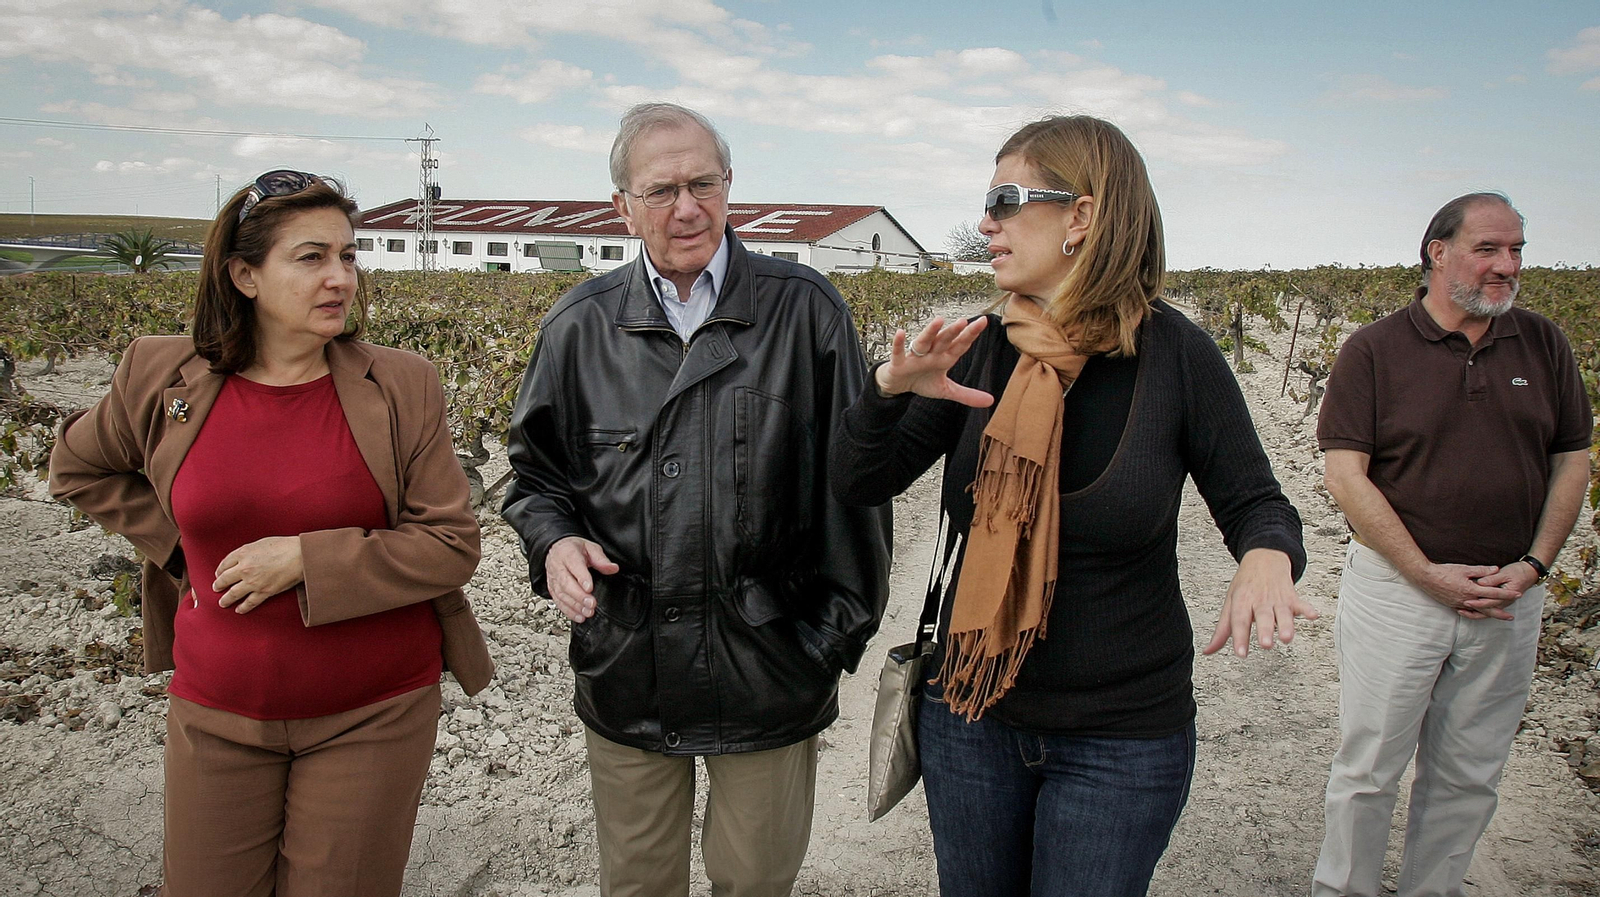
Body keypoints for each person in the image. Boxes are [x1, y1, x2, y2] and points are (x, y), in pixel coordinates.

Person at [829, 114, 1317, 897]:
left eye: (1006, 198)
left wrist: (1266, 556)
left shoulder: (1176, 357)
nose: (985, 221)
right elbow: (859, 480)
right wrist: (887, 394)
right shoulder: (981, 344)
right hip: (971, 714)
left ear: (1082, 216)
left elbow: (1257, 499)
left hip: (1122, 737)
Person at [48, 170, 494, 897]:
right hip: (215, 711)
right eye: (311, 257)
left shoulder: (402, 384)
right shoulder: (162, 376)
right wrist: (179, 548)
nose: (340, 278)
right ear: (245, 274)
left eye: (349, 257)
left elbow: (450, 543)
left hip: (373, 713)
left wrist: (306, 559)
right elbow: (79, 466)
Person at [501, 103, 892, 897]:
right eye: (661, 190)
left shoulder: (805, 310)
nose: (686, 207)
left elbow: (855, 491)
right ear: (622, 206)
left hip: (770, 667)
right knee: (638, 883)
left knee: (754, 882)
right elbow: (534, 478)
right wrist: (554, 544)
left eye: (703, 183)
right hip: (628, 666)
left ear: (729, 185)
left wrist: (826, 644)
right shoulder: (578, 327)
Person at [1312, 193, 1592, 897]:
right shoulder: (1373, 350)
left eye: (1517, 250)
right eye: (1489, 249)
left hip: (1506, 598)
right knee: (1370, 766)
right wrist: (1424, 572)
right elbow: (1345, 476)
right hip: (1397, 594)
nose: (1508, 266)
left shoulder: (1544, 342)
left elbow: (1571, 460)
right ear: (1437, 251)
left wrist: (1533, 567)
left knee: (1469, 774)